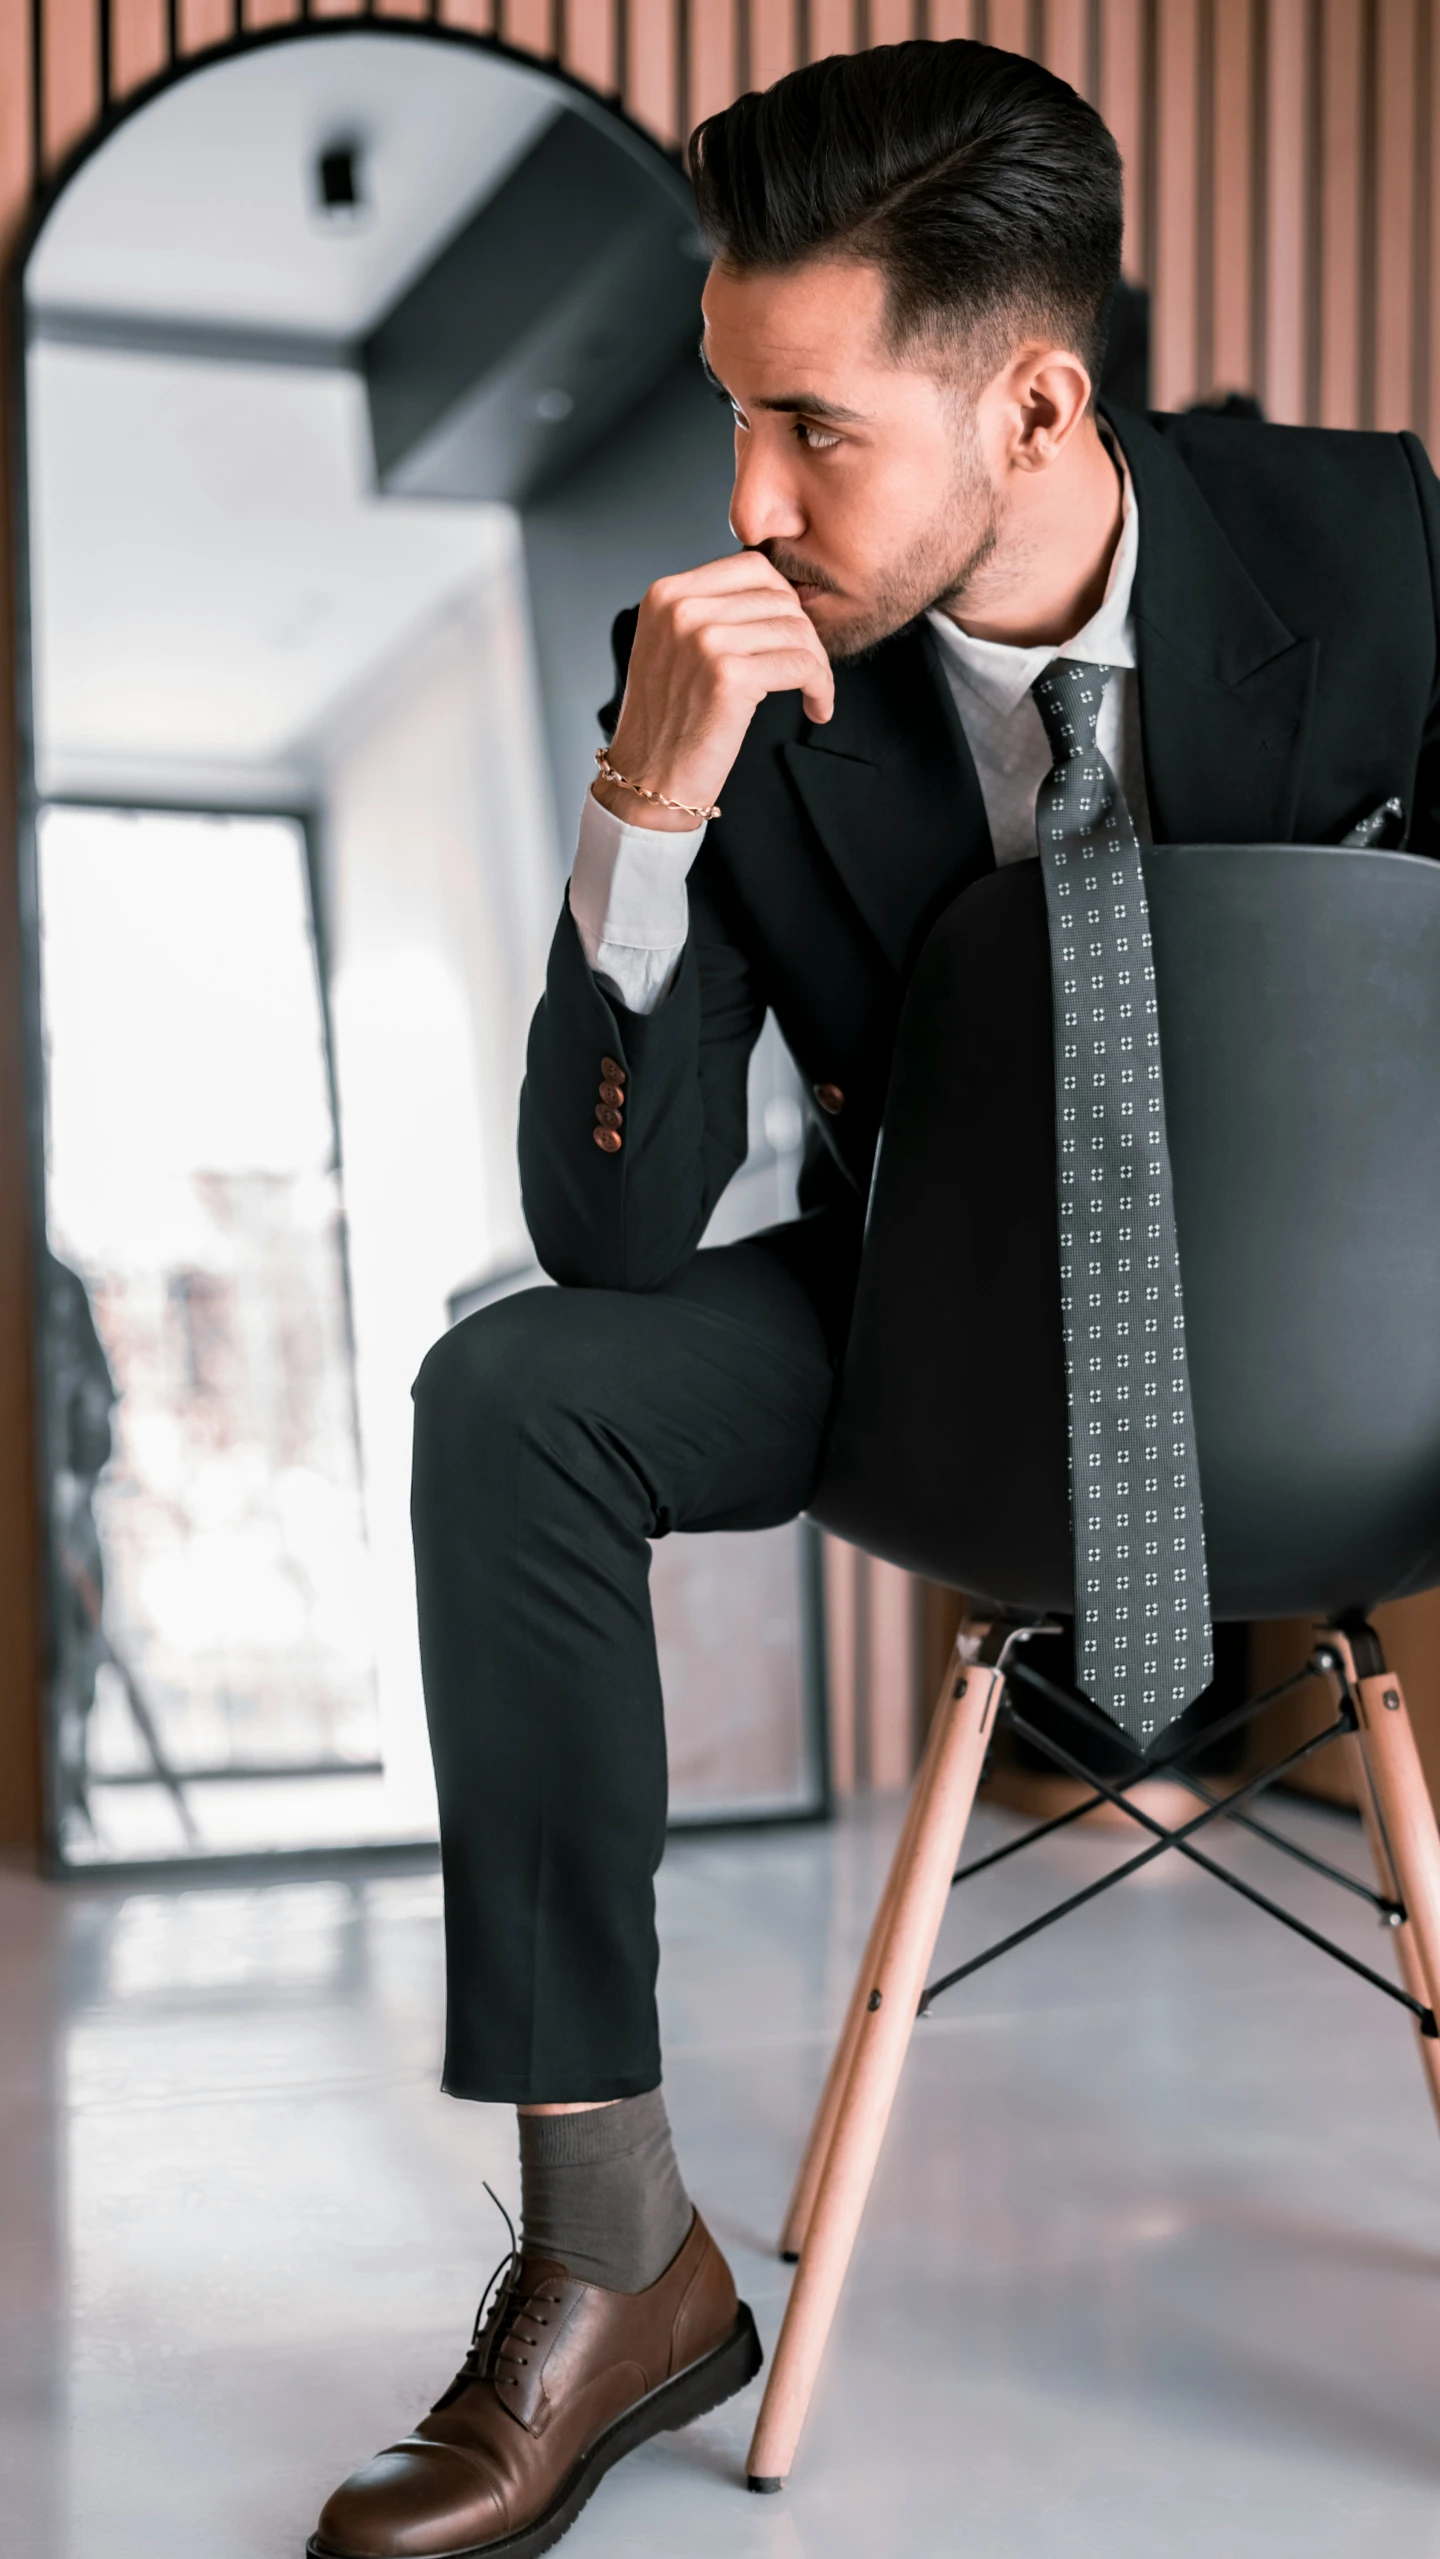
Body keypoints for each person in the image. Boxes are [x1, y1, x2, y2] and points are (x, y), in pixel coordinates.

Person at [310, 35, 1440, 2559]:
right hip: (930, 1334)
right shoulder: (717, 658)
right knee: (518, 1390)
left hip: (1364, 1355)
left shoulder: (1368, 550)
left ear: (1033, 404)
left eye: (811, 430)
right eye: (731, 416)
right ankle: (613, 2261)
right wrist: (647, 817)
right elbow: (620, 1237)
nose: (744, 499)